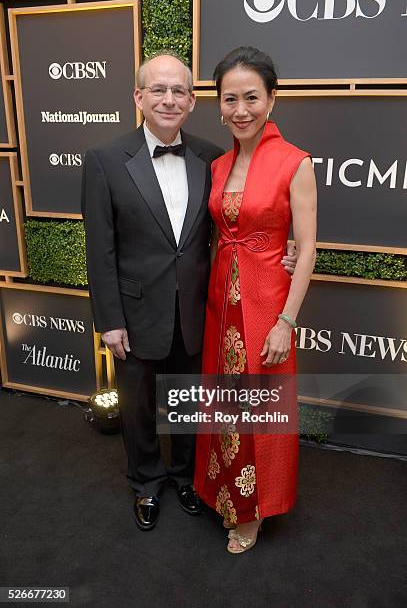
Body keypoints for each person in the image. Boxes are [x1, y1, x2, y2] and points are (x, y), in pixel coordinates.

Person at [81, 51, 298, 532]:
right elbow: (101, 250)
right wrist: (109, 319)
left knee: (185, 399)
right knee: (137, 408)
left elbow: (240, 224)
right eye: (157, 89)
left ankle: (183, 475)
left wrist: (288, 250)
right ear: (139, 96)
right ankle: (145, 482)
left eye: (179, 90)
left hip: (200, 308)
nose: (168, 99)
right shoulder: (104, 160)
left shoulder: (212, 158)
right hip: (134, 313)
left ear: (192, 100)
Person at [194, 47, 317, 554]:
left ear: (271, 100)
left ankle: (254, 510)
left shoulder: (295, 163)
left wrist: (287, 319)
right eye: (229, 99)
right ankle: (221, 493)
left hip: (267, 302)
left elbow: (307, 247)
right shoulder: (219, 164)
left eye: (251, 98)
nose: (239, 110)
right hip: (221, 300)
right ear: (218, 103)